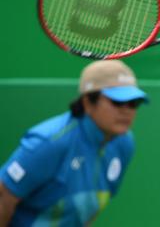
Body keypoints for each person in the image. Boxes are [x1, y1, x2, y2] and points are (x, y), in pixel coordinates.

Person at [0, 60, 148, 227]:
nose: (127, 110)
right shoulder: (49, 143)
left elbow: (88, 209)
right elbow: (4, 196)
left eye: (134, 103)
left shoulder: (125, 144)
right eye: (117, 102)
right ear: (87, 102)